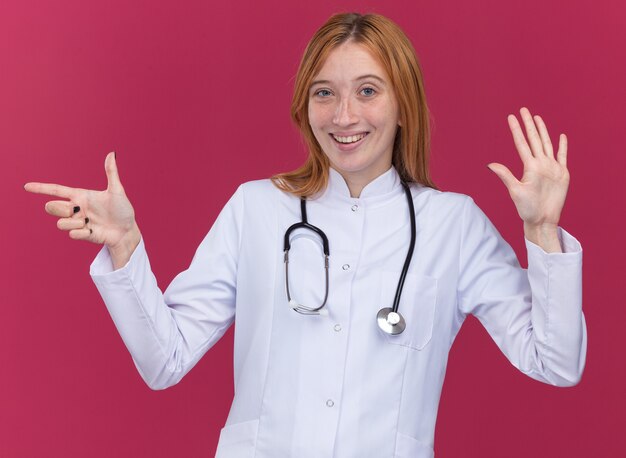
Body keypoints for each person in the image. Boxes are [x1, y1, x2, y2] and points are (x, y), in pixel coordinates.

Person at [25, 12, 586, 458]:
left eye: (368, 91)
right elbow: (164, 360)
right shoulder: (257, 208)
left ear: (402, 105)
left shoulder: (452, 225)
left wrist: (542, 229)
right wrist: (125, 245)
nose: (344, 115)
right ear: (305, 105)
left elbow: (556, 363)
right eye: (324, 93)